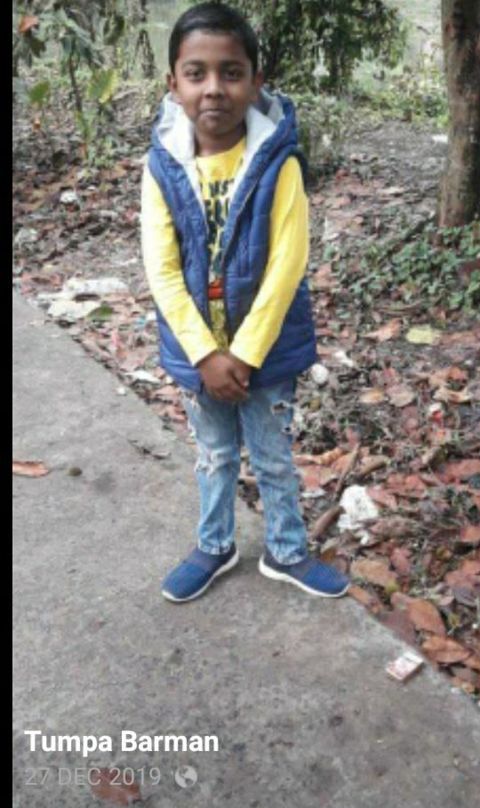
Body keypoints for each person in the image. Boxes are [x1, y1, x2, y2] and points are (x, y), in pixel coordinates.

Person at [140, 2, 349, 602]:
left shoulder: (278, 165)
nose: (214, 88)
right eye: (196, 73)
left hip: (267, 353)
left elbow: (287, 266)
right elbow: (162, 270)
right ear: (173, 84)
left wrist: (247, 352)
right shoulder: (162, 168)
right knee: (214, 455)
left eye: (231, 73)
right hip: (199, 355)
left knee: (274, 455)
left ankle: (286, 550)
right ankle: (215, 544)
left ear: (256, 82)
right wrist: (205, 354)